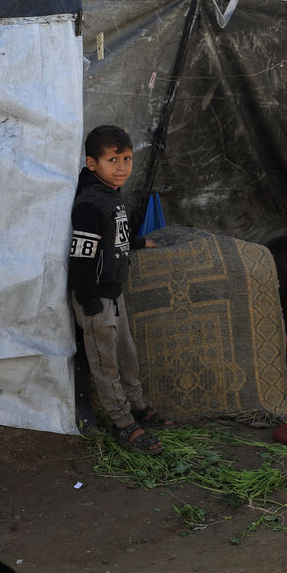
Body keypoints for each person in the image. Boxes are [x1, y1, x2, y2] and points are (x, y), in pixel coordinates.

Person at [69, 125, 169, 455]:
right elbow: (82, 256)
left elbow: (115, 241)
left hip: (114, 293)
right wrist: (88, 300)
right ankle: (122, 422)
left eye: (127, 158)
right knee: (106, 362)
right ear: (92, 163)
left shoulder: (112, 194)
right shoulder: (89, 204)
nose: (123, 166)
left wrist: (140, 242)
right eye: (113, 159)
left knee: (127, 354)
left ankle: (137, 407)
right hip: (95, 297)